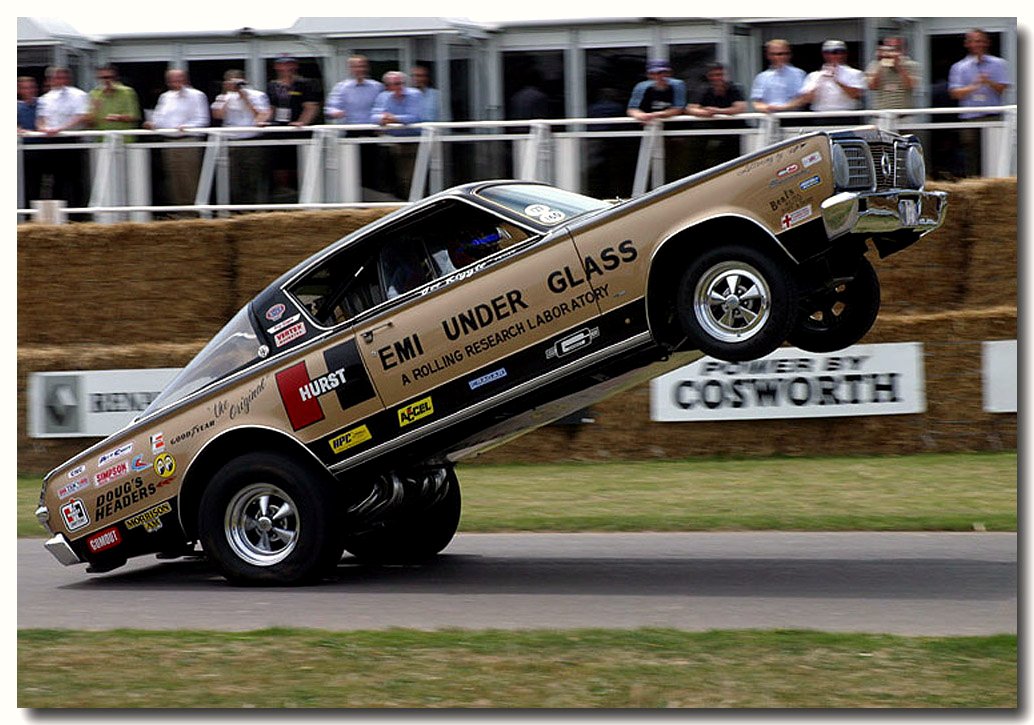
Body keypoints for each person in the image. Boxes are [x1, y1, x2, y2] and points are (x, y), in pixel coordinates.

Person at [144, 68, 210, 215]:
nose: (176, 83)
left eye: (179, 79)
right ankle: (181, 213)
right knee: (173, 179)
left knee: (189, 178)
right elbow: (159, 117)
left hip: (188, 141)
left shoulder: (197, 95)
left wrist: (188, 127)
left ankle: (194, 214)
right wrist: (153, 124)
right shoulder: (165, 97)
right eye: (172, 80)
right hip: (169, 141)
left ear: (185, 79)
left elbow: (202, 119)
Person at [948, 28, 1010, 178]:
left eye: (980, 41)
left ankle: (994, 184)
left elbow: (1002, 88)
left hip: (992, 117)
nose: (977, 44)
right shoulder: (959, 67)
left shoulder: (999, 64)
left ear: (987, 42)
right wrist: (974, 86)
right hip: (970, 118)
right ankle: (973, 183)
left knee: (995, 155)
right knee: (971, 156)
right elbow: (954, 93)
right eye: (973, 41)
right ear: (967, 44)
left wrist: (988, 82)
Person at [210, 69, 271, 206]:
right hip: (231, 143)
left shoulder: (257, 95)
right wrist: (226, 94)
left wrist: (245, 97)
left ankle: (256, 210)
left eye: (237, 81)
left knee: (254, 179)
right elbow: (218, 115)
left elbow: (263, 115)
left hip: (252, 142)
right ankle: (237, 210)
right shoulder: (223, 97)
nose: (235, 85)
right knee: (234, 180)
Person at [35, 66, 91, 210]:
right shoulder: (45, 98)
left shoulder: (78, 95)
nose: (60, 81)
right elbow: (40, 118)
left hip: (71, 140)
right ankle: (57, 214)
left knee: (75, 179)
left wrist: (61, 128)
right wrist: (43, 128)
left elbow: (82, 116)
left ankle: (78, 214)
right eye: (56, 78)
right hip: (51, 141)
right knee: (54, 180)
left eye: (63, 77)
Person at [266, 55, 320, 201]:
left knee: (299, 165)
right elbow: (270, 108)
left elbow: (311, 107)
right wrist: (264, 121)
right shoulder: (272, 86)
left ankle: (304, 198)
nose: (287, 68)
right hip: (278, 133)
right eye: (283, 64)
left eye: (290, 64)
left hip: (299, 133)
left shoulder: (305, 84)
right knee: (279, 166)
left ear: (295, 66)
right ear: (276, 67)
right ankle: (283, 197)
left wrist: (302, 122)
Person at [371, 71, 424, 199]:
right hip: (393, 143)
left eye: (399, 83)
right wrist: (382, 119)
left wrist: (394, 118)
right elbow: (374, 117)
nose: (396, 87)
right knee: (393, 178)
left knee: (411, 178)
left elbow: (416, 117)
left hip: (413, 142)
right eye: (392, 84)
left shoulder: (415, 95)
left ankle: (414, 202)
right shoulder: (383, 97)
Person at [789, 40, 866, 125]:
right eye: (828, 52)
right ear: (824, 54)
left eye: (838, 52)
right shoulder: (814, 75)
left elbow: (855, 95)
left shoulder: (855, 73)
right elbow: (806, 99)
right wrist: (819, 82)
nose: (833, 55)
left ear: (845, 54)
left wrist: (837, 80)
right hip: (821, 117)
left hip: (848, 116)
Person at [686, 62, 747, 168]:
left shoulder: (734, 88)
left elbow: (740, 108)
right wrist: (705, 113)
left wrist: (718, 111)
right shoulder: (703, 89)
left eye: (719, 75)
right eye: (713, 75)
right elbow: (690, 108)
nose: (716, 78)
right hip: (709, 131)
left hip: (732, 132)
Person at [750, 39, 807, 113]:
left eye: (783, 54)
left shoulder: (799, 74)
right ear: (768, 56)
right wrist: (764, 107)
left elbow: (804, 98)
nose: (778, 57)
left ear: (789, 55)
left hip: (793, 116)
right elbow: (756, 102)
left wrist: (783, 108)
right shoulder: (761, 77)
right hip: (770, 116)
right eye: (773, 54)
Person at [864, 37, 920, 111]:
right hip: (882, 113)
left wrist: (899, 67)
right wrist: (881, 65)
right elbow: (872, 87)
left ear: (902, 50)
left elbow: (911, 86)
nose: (891, 52)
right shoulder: (874, 65)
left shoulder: (911, 65)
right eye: (888, 48)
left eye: (895, 48)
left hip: (904, 113)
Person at [626, 59, 687, 124]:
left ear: (669, 73)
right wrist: (640, 115)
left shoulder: (678, 85)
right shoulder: (641, 86)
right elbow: (632, 108)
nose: (657, 77)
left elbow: (679, 107)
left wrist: (660, 114)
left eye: (661, 73)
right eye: (652, 74)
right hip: (647, 121)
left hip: (672, 121)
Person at [89, 64, 141, 131]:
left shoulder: (127, 92)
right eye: (102, 78)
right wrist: (94, 111)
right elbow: (90, 123)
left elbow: (134, 117)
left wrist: (118, 117)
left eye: (109, 77)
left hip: (123, 135)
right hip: (101, 135)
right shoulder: (94, 93)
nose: (106, 80)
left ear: (116, 78)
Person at [17, 76, 43, 205]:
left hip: (45, 149)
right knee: (28, 184)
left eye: (32, 87)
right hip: (25, 152)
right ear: (19, 90)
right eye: (25, 88)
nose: (29, 90)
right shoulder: (16, 106)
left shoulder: (44, 104)